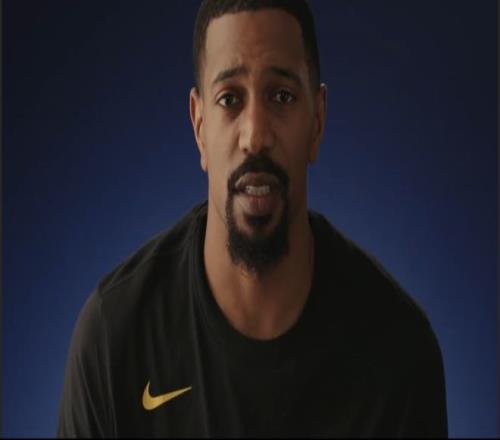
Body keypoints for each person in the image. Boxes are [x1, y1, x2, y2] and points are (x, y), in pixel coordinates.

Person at [57, 0, 448, 437]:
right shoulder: (115, 338)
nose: (255, 135)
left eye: (282, 96)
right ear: (199, 126)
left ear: (317, 121)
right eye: (229, 99)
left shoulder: (398, 351)